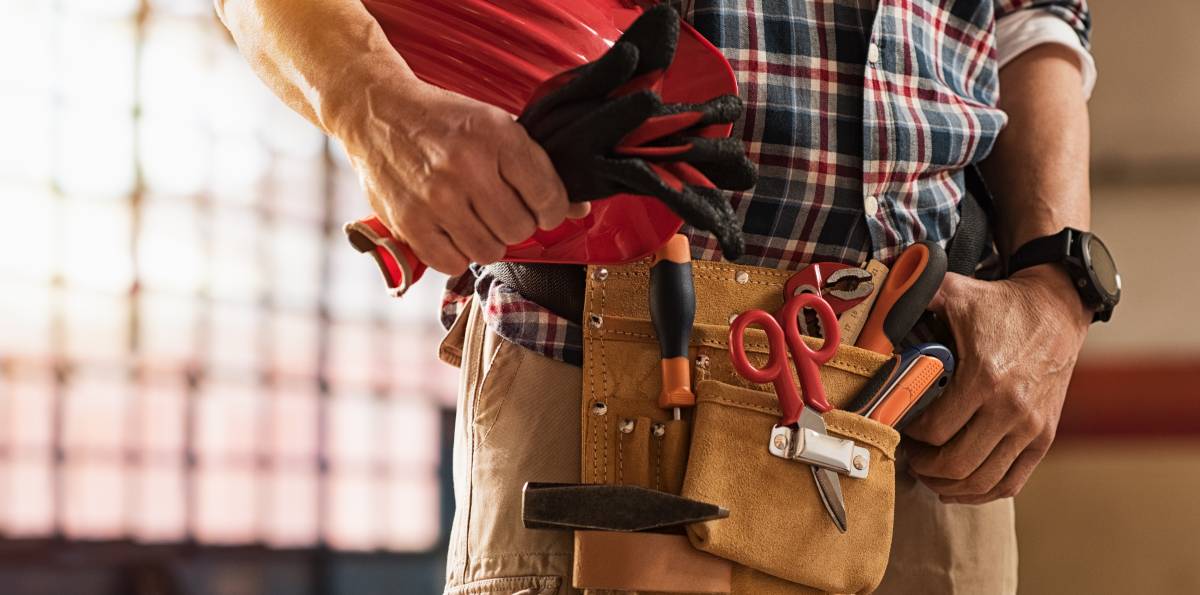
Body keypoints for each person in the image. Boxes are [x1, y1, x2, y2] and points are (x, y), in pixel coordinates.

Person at [217, 0, 1100, 592]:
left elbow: (1039, 19)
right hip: (597, 378)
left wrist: (1059, 284)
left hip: (927, 414)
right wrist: (377, 108)